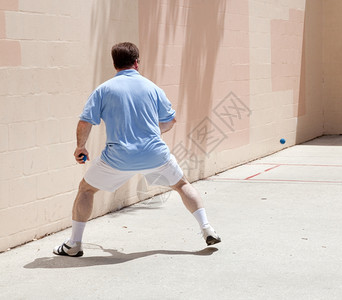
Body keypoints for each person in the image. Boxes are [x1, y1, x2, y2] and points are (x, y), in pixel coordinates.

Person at [53, 42, 221, 257]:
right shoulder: (152, 88)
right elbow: (170, 121)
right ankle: (207, 228)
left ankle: (74, 244)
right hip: (155, 154)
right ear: (136, 63)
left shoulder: (104, 89)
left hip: (117, 158)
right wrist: (150, 133)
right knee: (181, 184)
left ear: (115, 64)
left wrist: (80, 147)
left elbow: (85, 122)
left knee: (86, 190)